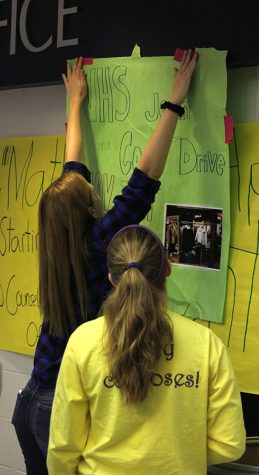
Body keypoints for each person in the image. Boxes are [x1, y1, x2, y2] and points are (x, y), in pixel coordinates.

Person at [12, 51, 198, 475]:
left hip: (30, 400)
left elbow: (72, 169)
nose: (95, 189)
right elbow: (144, 180)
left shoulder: (57, 241)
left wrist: (75, 103)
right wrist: (174, 100)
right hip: (55, 406)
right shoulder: (96, 245)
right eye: (90, 191)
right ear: (88, 207)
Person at [47, 224, 246, 475]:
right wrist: (181, 452)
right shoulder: (207, 345)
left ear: (111, 278)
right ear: (168, 270)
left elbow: (63, 446)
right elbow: (230, 444)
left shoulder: (83, 342)